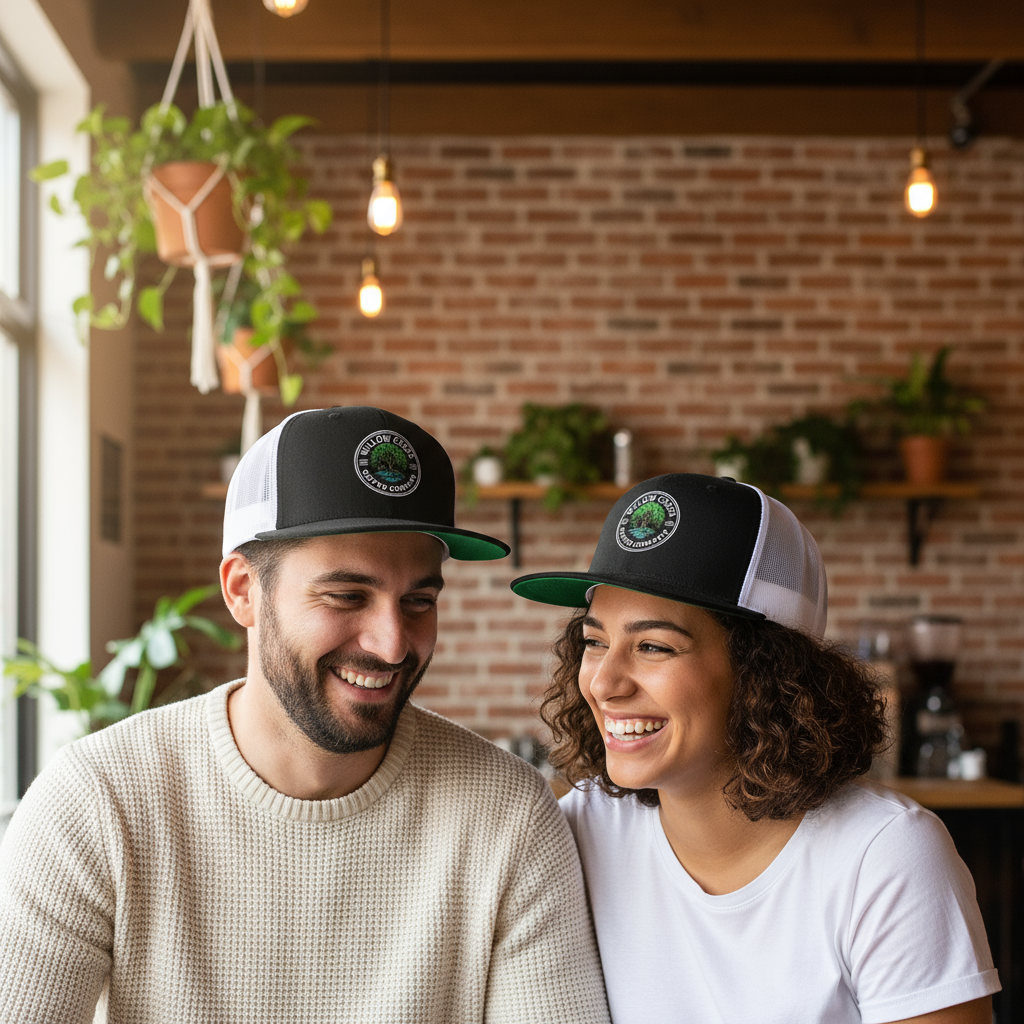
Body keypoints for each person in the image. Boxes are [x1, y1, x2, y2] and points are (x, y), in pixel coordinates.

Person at [0, 406, 611, 1023]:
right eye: (347, 596)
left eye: (418, 600)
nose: (392, 643)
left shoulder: (507, 817)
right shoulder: (98, 800)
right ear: (243, 590)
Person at [511, 473, 1000, 1024]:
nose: (603, 683)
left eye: (653, 646)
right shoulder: (577, 832)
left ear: (766, 673)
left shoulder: (884, 857)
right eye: (595, 642)